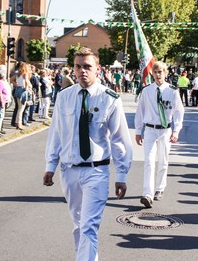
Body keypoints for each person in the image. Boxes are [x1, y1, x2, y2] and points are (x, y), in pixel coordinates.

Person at [43, 47, 132, 261]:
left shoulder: (109, 98)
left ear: (97, 69)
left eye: (87, 67)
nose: (82, 71)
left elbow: (120, 140)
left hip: (96, 170)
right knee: (79, 224)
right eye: (78, 66)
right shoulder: (64, 97)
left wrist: (121, 175)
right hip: (70, 171)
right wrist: (50, 165)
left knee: (89, 226)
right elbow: (56, 133)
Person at [134, 61, 184, 208]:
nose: (158, 74)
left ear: (165, 73)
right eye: (155, 72)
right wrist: (138, 131)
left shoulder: (172, 91)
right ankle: (147, 194)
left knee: (163, 160)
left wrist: (176, 130)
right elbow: (140, 112)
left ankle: (159, 189)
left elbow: (178, 112)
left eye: (160, 72)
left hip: (165, 130)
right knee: (149, 161)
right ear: (152, 74)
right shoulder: (147, 91)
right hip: (150, 129)